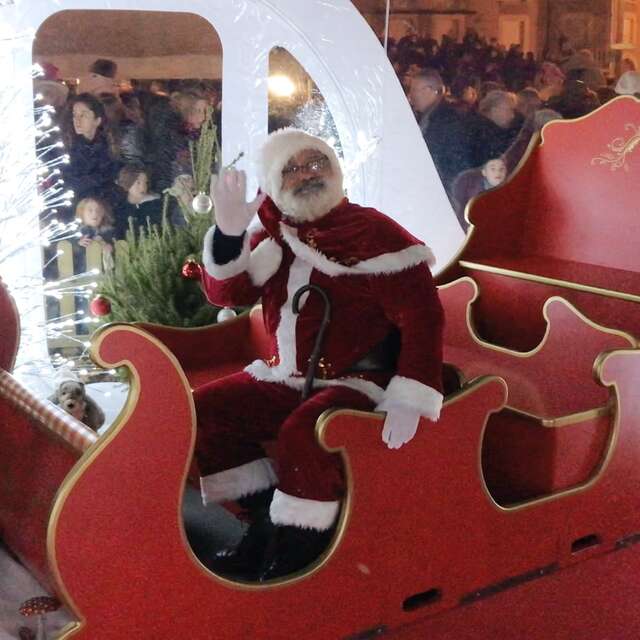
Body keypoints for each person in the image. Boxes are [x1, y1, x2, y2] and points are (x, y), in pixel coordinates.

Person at [194, 129, 444, 581]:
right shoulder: (273, 236)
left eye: (316, 163)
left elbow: (423, 320)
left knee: (304, 431)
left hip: (358, 382)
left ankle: (300, 551)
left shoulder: (374, 233)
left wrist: (411, 396)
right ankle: (266, 522)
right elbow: (225, 293)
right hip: (285, 376)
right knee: (205, 412)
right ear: (273, 183)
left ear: (335, 170)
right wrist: (229, 235)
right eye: (290, 169)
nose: (307, 175)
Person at [408, 68, 472, 197]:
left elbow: (451, 164)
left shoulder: (446, 121)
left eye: (413, 90)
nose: (410, 96)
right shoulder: (433, 116)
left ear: (428, 90)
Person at [61, 93, 119, 215]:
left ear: (97, 120)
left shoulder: (110, 146)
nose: (77, 120)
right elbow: (69, 184)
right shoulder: (66, 149)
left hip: (104, 212)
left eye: (84, 115)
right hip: (75, 212)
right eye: (74, 115)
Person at [113, 165, 162, 238]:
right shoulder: (120, 208)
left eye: (145, 183)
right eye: (138, 183)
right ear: (128, 183)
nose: (143, 187)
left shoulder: (156, 204)